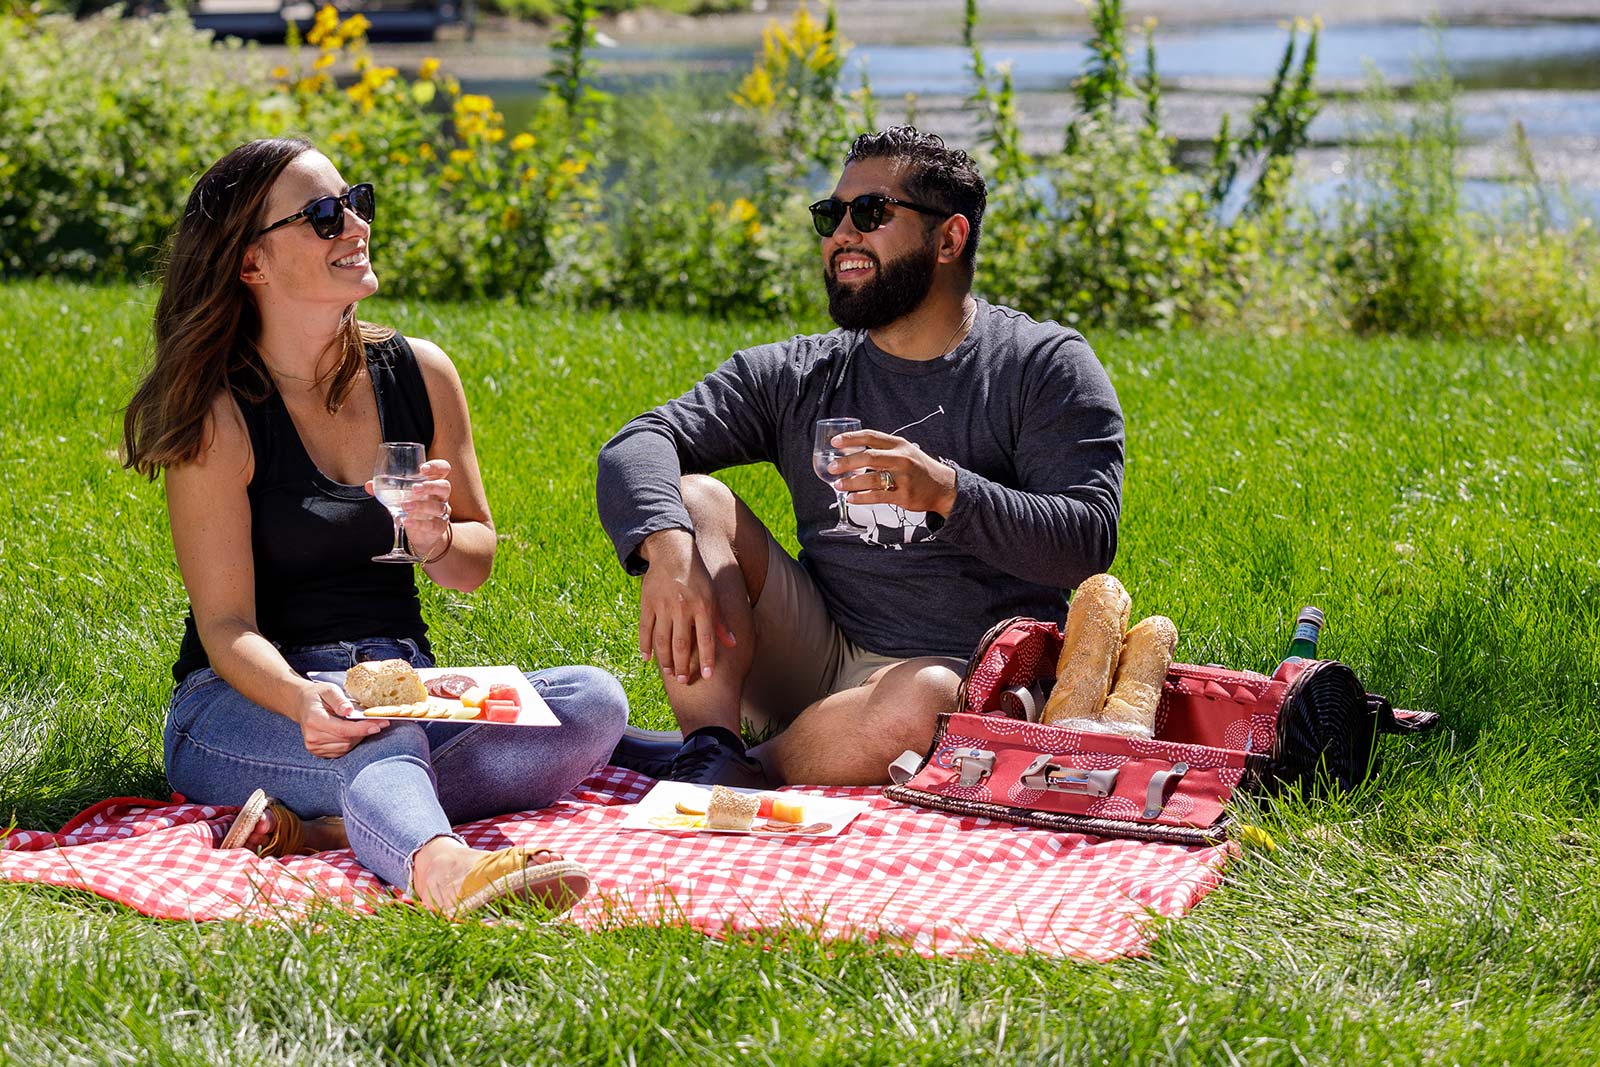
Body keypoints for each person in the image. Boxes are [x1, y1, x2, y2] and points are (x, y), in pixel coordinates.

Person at [121, 137, 627, 916]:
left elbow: (474, 559)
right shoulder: (222, 414)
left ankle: (331, 828)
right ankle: (444, 870)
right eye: (324, 215)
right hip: (246, 704)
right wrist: (302, 699)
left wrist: (434, 542)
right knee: (381, 738)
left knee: (592, 704)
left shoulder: (420, 373)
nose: (354, 223)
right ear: (251, 264)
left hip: (398, 687)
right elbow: (225, 628)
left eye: (356, 201)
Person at [597, 126, 1124, 788]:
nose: (841, 234)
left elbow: (1087, 539)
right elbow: (638, 441)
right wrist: (667, 548)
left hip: (955, 675)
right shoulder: (801, 372)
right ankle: (708, 741)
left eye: (870, 213)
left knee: (928, 698)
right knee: (696, 501)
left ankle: (726, 770)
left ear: (949, 239)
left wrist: (947, 492)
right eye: (830, 215)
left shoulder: (1042, 366)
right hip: (816, 653)